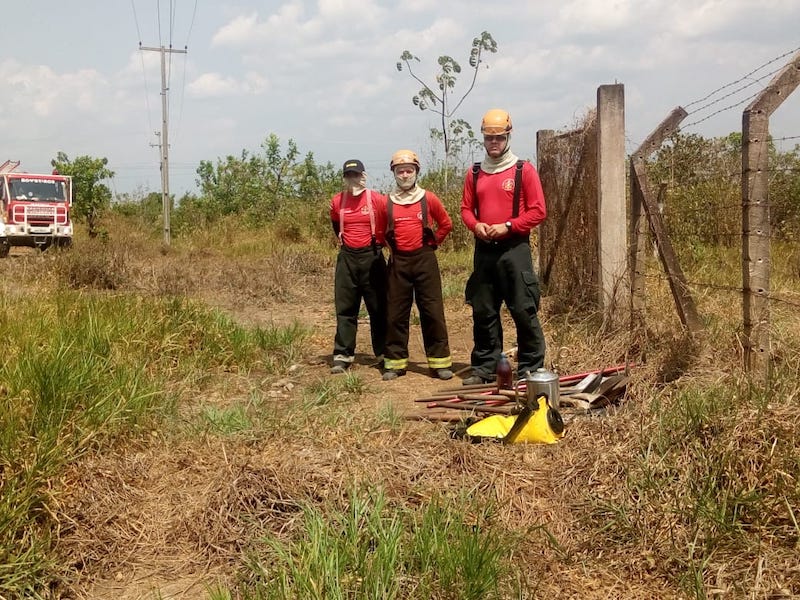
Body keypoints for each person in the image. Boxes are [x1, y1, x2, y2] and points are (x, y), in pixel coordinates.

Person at [460, 109, 547, 385]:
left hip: (514, 249)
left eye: (498, 137)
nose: (493, 142)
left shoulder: (524, 170)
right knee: (483, 309)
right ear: (483, 138)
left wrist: (508, 226)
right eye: (489, 138)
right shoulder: (474, 173)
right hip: (484, 250)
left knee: (523, 308)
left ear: (508, 136)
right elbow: (465, 210)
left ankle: (530, 368)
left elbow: (538, 211)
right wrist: (476, 226)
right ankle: (485, 368)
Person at [382, 149, 454, 381]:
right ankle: (394, 363)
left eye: (409, 170)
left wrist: (434, 243)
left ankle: (439, 363)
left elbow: (446, 224)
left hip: (425, 261)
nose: (404, 175)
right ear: (394, 173)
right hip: (398, 263)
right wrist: (392, 250)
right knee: (395, 314)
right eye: (400, 171)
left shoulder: (428, 198)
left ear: (416, 172)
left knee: (432, 312)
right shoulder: (387, 203)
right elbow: (379, 233)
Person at [330, 159, 388, 374]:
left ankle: (383, 353)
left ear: (363, 176)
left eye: (356, 175)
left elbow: (387, 224)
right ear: (345, 178)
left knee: (379, 308)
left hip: (372, 257)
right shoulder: (337, 202)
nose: (353, 179)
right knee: (345, 308)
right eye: (349, 175)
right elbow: (336, 226)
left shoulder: (377, 200)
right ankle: (343, 355)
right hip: (347, 258)